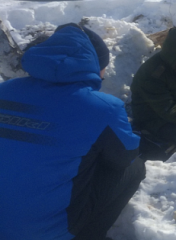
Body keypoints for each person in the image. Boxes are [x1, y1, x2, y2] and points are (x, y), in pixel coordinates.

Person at [0, 23, 145, 240]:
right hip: (42, 233)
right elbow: (124, 158)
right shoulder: (103, 107)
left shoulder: (5, 90)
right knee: (135, 168)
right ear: (93, 65)